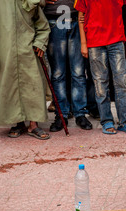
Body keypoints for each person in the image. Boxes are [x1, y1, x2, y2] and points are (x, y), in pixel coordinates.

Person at [76, 0, 126, 135]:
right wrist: (83, 43)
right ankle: (106, 121)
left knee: (121, 82)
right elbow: (80, 17)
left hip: (116, 40)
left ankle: (125, 121)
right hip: (94, 41)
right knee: (100, 84)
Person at [0, 0, 51, 140]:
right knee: (10, 86)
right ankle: (18, 123)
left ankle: (33, 124)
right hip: (4, 51)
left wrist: (40, 43)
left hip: (28, 51)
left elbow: (42, 25)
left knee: (33, 87)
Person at [44, 0, 93, 132]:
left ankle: (80, 113)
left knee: (78, 71)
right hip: (54, 19)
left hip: (76, 19)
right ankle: (61, 114)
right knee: (58, 73)